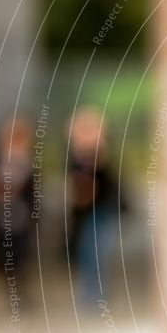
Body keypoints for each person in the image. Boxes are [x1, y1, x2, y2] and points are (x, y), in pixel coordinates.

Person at [67, 107, 119, 306]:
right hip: (82, 213)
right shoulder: (75, 157)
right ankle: (89, 292)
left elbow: (107, 183)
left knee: (97, 252)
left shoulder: (101, 155)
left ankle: (98, 294)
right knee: (85, 252)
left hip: (100, 212)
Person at [0, 115, 34, 291]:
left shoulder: (27, 162)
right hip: (4, 215)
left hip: (22, 215)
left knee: (21, 253)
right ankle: (11, 290)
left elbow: (31, 191)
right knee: (7, 253)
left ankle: (20, 289)